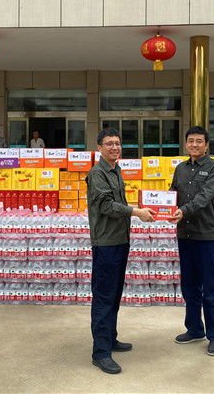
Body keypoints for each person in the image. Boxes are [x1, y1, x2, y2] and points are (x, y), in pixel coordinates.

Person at [86, 127, 156, 374]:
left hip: (120, 240)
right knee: (104, 297)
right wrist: (136, 212)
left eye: (117, 143)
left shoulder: (116, 170)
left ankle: (110, 338)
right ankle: (100, 353)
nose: (115, 147)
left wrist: (139, 209)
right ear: (99, 148)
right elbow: (106, 205)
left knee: (114, 295)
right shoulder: (97, 174)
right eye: (109, 143)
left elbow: (120, 203)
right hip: (106, 243)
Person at [169, 125, 214, 356]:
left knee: (211, 289)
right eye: (190, 140)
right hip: (185, 235)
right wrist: (160, 207)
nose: (194, 144)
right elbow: (172, 194)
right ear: (186, 144)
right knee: (189, 286)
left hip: (207, 236)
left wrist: (183, 210)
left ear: (206, 145)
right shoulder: (180, 169)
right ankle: (194, 329)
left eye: (199, 141)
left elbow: (204, 198)